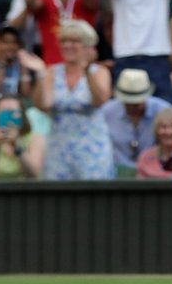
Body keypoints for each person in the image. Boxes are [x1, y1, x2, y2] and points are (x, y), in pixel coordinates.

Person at [32, 20, 114, 181]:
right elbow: (44, 105)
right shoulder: (51, 72)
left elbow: (99, 100)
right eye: (64, 41)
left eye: (74, 41)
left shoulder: (99, 71)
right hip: (59, 147)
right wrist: (41, 74)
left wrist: (87, 70)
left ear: (87, 45)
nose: (68, 45)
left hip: (92, 147)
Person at [102, 68, 172, 177]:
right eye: (129, 102)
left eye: (137, 102)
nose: (133, 106)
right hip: (115, 172)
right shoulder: (106, 112)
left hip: (155, 174)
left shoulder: (164, 110)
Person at [0, 94, 46, 179]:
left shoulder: (35, 139)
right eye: (4, 113)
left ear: (22, 115)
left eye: (13, 112)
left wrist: (17, 146)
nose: (8, 118)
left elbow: (34, 175)